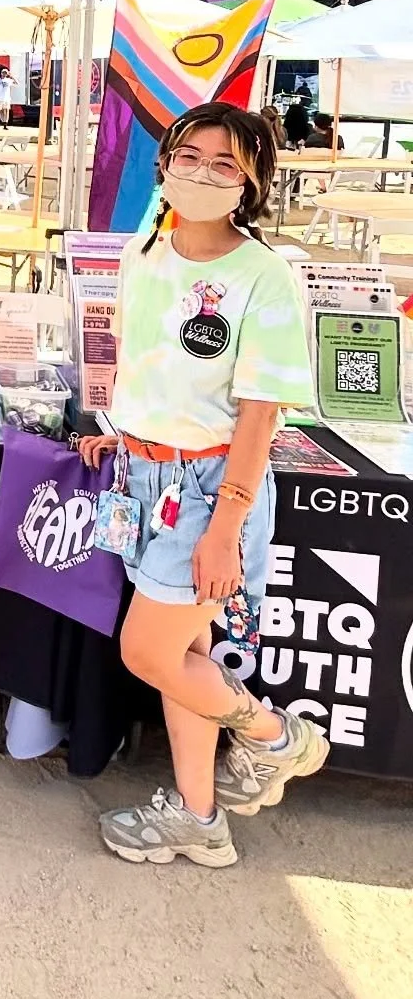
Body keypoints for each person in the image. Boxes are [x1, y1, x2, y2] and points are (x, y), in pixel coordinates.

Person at [76, 101, 326, 868]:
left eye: (227, 163)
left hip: (212, 486)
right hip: (143, 474)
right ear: (166, 161)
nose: (205, 173)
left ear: (251, 182)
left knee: (147, 653)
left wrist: (228, 524)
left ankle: (272, 735)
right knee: (187, 654)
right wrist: (120, 432)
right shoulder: (144, 252)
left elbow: (260, 412)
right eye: (192, 155)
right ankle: (198, 816)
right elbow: (148, 364)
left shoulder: (263, 274)